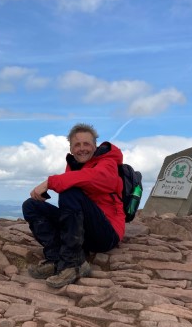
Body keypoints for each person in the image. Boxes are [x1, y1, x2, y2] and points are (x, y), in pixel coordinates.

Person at [22, 123, 125, 288]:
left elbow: (97, 178)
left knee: (69, 191)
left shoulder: (108, 162)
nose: (82, 148)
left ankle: (73, 263)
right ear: (71, 149)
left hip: (106, 234)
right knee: (31, 206)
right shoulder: (74, 167)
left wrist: (51, 182)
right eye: (77, 144)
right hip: (84, 232)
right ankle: (57, 259)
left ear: (95, 146)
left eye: (86, 144)